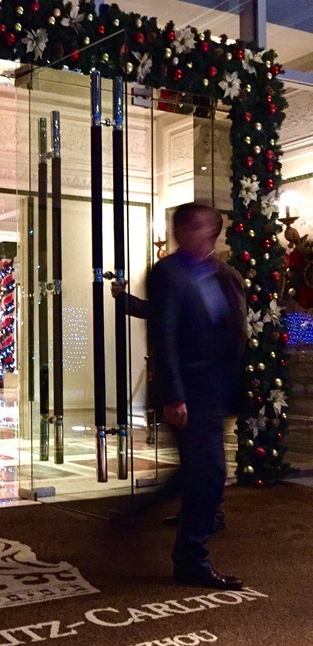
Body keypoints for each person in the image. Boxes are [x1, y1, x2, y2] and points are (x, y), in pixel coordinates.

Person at [147, 202, 246, 591]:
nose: (208, 233)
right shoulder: (169, 272)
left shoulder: (219, 272)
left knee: (200, 471)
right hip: (190, 391)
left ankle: (141, 517)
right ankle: (191, 558)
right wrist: (173, 395)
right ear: (181, 232)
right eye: (199, 226)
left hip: (217, 387)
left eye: (210, 226)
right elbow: (165, 335)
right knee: (209, 472)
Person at [110, 279, 226, 534]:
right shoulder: (189, 281)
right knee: (196, 463)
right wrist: (123, 299)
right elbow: (157, 311)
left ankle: (148, 510)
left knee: (199, 465)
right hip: (189, 390)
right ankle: (196, 514)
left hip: (201, 391)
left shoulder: (214, 280)